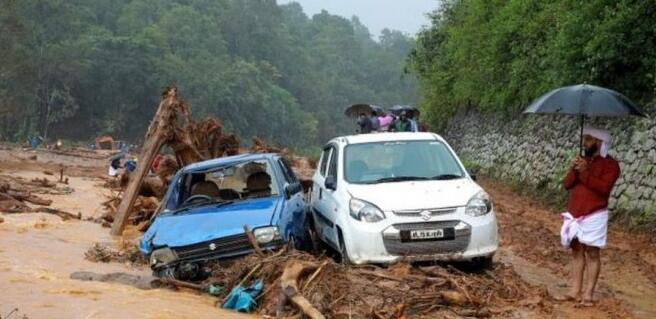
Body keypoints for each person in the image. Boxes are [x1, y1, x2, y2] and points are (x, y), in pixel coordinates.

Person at [559, 127, 620, 306]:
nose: (584, 142)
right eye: (585, 139)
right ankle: (575, 291)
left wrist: (585, 171)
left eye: (589, 139)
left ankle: (588, 294)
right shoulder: (582, 160)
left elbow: (603, 189)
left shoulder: (611, 165)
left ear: (600, 143)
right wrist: (574, 169)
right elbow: (567, 184)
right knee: (577, 251)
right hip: (574, 213)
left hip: (595, 214)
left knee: (593, 253)